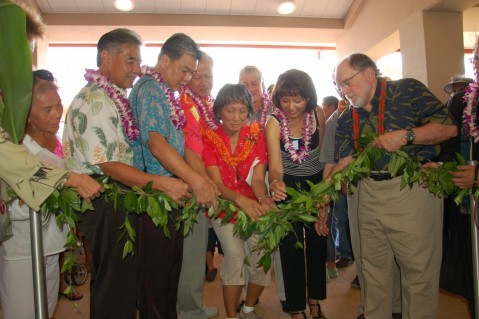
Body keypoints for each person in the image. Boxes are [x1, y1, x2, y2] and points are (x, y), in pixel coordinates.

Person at [63, 28, 191, 319]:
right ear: (106, 57)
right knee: (115, 285)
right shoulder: (96, 101)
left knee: (119, 281)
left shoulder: (111, 97)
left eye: (138, 62)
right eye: (130, 60)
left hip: (115, 196)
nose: (137, 69)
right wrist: (161, 184)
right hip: (103, 195)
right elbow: (109, 164)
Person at [332, 53, 457, 319]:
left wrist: (407, 136)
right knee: (373, 273)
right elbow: (345, 168)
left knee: (418, 272)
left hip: (410, 190)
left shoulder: (407, 90)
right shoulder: (345, 119)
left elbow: (448, 128)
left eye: (347, 82)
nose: (344, 91)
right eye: (340, 86)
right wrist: (340, 175)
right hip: (367, 194)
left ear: (369, 74)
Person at [130, 33, 217, 319]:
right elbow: (157, 145)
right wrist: (196, 180)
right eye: (185, 70)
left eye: (192, 72)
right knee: (156, 278)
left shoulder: (168, 93)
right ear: (165, 60)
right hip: (155, 196)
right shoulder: (151, 89)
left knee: (169, 271)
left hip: (171, 195)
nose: (187, 78)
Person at [0, 69, 78, 318]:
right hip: (23, 249)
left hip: (51, 246)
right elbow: (13, 207)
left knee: (46, 310)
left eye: (58, 106)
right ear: (27, 115)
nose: (57, 115)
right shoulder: (15, 151)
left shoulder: (57, 142)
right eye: (47, 110)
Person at [202, 83, 275, 319]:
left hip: (252, 204)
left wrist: (264, 199)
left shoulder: (256, 136)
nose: (236, 117)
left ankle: (248, 307)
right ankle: (231, 316)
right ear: (219, 111)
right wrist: (241, 201)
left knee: (262, 255)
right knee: (233, 256)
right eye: (230, 110)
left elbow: (257, 180)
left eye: (242, 111)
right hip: (222, 206)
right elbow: (216, 184)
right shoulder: (210, 139)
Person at [266, 69, 328, 319]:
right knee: (290, 247)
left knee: (317, 243)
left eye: (298, 100)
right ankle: (296, 307)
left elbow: (324, 158)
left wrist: (325, 199)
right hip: (287, 186)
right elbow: (275, 166)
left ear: (309, 98)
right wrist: (276, 184)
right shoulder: (273, 122)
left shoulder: (318, 114)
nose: (291, 107)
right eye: (285, 100)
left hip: (316, 187)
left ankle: (315, 301)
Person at [177, 49, 220, 318]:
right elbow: (191, 149)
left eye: (209, 76)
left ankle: (190, 305)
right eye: (198, 76)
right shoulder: (185, 104)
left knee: (195, 251)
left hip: (202, 183)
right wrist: (206, 185)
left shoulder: (208, 104)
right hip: (193, 186)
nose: (204, 82)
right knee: (191, 255)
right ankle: (189, 310)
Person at [436, 53, 479, 319]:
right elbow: (450, 147)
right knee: (474, 277)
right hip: (469, 204)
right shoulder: (462, 101)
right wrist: (444, 168)